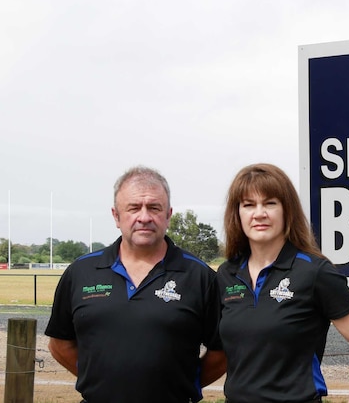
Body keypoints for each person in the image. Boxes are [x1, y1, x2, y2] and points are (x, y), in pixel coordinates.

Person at [45, 166, 226, 403]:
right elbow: (59, 344)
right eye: (133, 208)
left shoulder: (199, 276)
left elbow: (222, 353)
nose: (144, 217)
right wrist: (99, 380)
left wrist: (180, 383)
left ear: (168, 214)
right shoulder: (81, 272)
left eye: (154, 207)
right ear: (116, 216)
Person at [217, 163, 349, 403]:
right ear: (237, 213)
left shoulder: (314, 272)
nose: (259, 213)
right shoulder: (226, 274)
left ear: (287, 211)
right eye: (249, 205)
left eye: (270, 203)